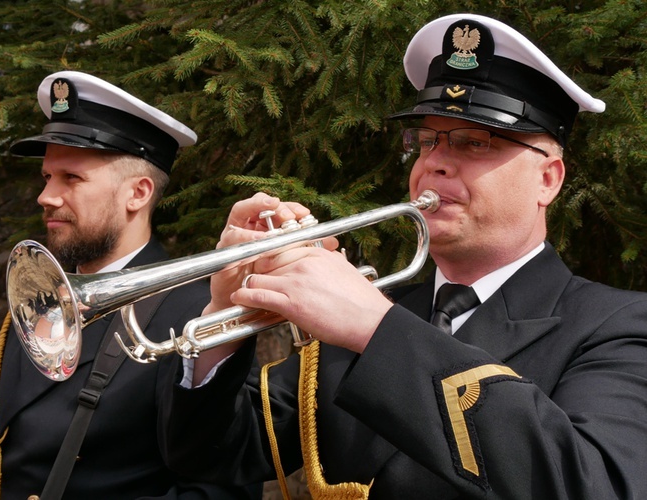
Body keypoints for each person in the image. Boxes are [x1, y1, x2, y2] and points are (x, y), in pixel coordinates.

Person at [157, 13, 647, 499]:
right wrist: (223, 314)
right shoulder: (367, 314)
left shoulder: (617, 325)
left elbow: (594, 484)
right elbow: (212, 458)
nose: (434, 161)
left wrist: (377, 329)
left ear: (548, 179)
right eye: (428, 140)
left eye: (474, 142)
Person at [0, 71, 262, 499]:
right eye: (47, 178)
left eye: (71, 178)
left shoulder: (197, 313)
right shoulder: (40, 294)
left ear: (138, 193)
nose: (46, 196)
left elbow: (220, 488)